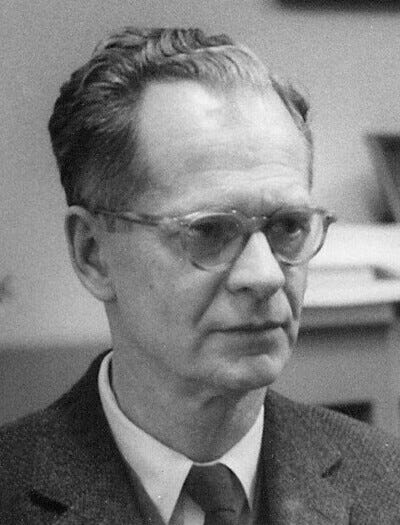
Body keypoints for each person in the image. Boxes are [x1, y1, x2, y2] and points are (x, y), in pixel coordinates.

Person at [1, 27, 400, 525]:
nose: (265, 276)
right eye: (209, 231)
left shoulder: (388, 486)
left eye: (288, 227)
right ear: (93, 255)